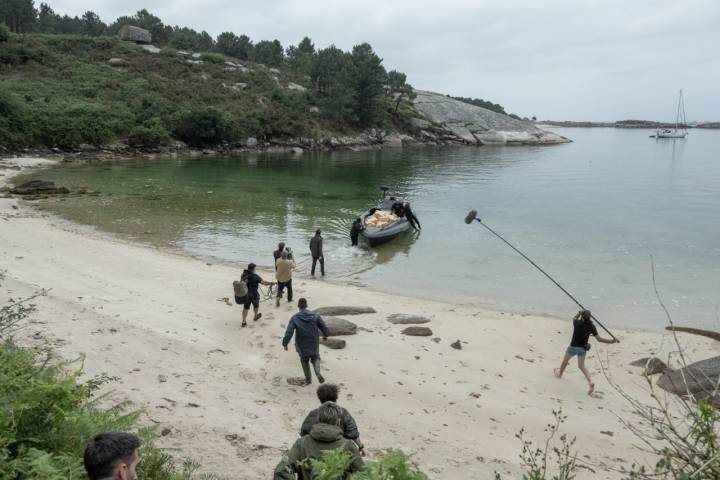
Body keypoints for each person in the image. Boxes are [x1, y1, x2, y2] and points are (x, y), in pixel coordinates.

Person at [274, 402, 364, 480]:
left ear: (317, 420)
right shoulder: (348, 446)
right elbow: (363, 474)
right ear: (338, 422)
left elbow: (282, 470)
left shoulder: (302, 443)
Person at [554, 309, 618, 395]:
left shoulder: (577, 323)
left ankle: (559, 373)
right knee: (582, 366)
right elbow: (599, 339)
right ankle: (590, 381)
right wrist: (612, 341)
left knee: (565, 361)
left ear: (582, 317)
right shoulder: (591, 326)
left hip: (573, 347)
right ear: (590, 317)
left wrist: (578, 313)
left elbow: (574, 318)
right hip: (582, 349)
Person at [300, 384, 365, 455]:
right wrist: (361, 447)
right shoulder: (343, 413)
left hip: (316, 450)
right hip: (339, 450)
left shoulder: (314, 413)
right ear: (336, 397)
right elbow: (353, 433)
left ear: (320, 398)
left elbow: (304, 432)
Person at [282, 297, 330, 385]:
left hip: (301, 344)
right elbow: (324, 327)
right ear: (306, 305)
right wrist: (325, 335)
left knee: (304, 360)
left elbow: (289, 332)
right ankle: (318, 374)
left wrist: (285, 344)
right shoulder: (316, 316)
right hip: (314, 342)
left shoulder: (294, 318)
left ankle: (308, 380)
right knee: (315, 357)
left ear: (298, 306)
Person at [241, 262, 275, 327]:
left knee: (245, 307)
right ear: (253, 269)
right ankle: (255, 316)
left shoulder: (243, 274)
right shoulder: (255, 276)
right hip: (254, 294)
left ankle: (244, 321)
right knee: (256, 305)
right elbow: (264, 283)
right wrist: (271, 283)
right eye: (255, 268)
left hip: (246, 294)